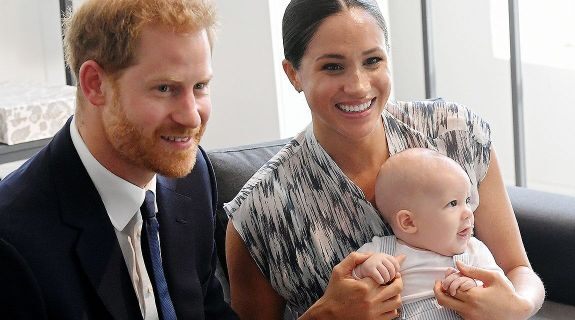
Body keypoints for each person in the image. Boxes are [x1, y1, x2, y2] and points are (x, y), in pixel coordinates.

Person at [225, 0, 545, 319]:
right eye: (333, 66)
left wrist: (519, 305)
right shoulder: (260, 213)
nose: (359, 86)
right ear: (293, 73)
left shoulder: (454, 132)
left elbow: (518, 269)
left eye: (373, 61)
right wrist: (326, 315)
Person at [0, 0, 237, 319]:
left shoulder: (192, 176)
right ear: (95, 84)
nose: (191, 117)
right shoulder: (13, 241)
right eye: (165, 88)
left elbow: (209, 311)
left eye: (200, 86)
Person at [353, 148, 512, 319]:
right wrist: (365, 269)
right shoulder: (381, 251)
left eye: (466, 201)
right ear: (409, 222)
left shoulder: (474, 252)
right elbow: (349, 288)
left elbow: (501, 293)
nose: (468, 212)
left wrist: (475, 285)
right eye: (452, 203)